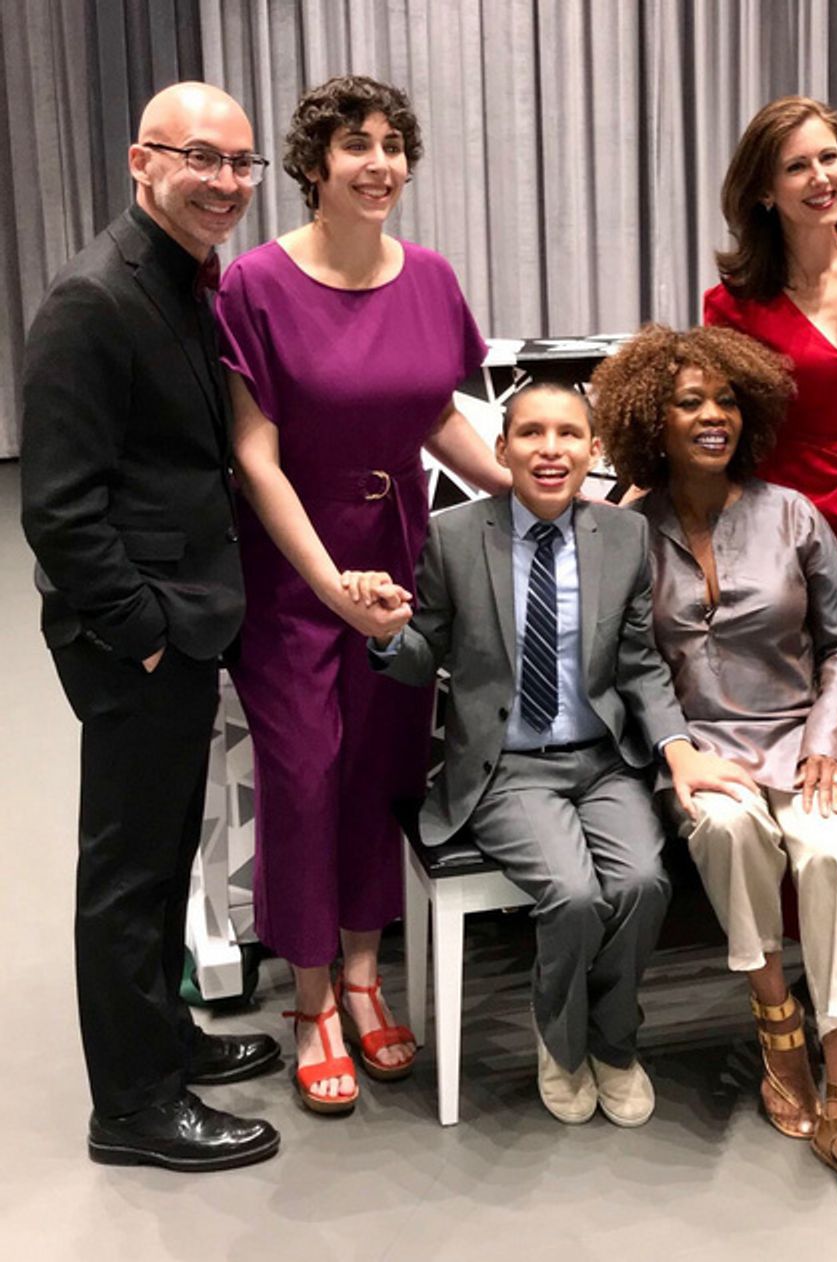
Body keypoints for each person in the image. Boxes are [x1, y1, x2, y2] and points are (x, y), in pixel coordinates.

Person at [214, 75, 509, 1114]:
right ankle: (309, 1001)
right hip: (295, 562)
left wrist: (522, 484)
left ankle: (362, 971)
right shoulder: (254, 284)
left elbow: (436, 414)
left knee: (383, 767)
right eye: (356, 146)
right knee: (306, 772)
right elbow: (254, 456)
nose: (380, 164)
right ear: (312, 165)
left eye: (393, 145)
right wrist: (328, 585)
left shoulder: (428, 277)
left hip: (401, 551)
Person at [365, 383, 754, 1127]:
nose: (551, 450)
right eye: (532, 434)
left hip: (602, 761)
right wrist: (387, 636)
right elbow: (424, 658)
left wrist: (676, 747)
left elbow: (639, 663)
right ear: (502, 447)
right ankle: (564, 1042)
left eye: (569, 434)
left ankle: (614, 1041)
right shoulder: (454, 537)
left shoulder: (622, 536)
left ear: (594, 450)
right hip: (509, 769)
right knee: (573, 896)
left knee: (643, 882)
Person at [20, 83, 281, 1171]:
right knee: (128, 872)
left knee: (169, 850)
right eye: (199, 159)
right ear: (142, 161)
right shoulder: (94, 299)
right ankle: (131, 1107)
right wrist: (144, 632)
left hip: (181, 618)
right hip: (137, 635)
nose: (225, 183)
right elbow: (58, 509)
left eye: (241, 164)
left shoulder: (181, 277)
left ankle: (163, 1038)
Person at [592, 325, 837, 1225]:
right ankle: (778, 1027)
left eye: (726, 401)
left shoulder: (793, 515)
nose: (712, 416)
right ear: (651, 419)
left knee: (834, 855)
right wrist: (677, 751)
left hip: (800, 738)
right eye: (689, 401)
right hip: (698, 748)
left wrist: (830, 741)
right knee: (730, 830)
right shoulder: (628, 531)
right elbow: (626, 662)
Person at [704, 97, 837, 993]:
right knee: (795, 709)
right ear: (764, 189)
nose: (820, 177)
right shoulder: (732, 302)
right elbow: (719, 428)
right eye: (797, 165)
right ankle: (803, 909)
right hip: (787, 529)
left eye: (829, 157)